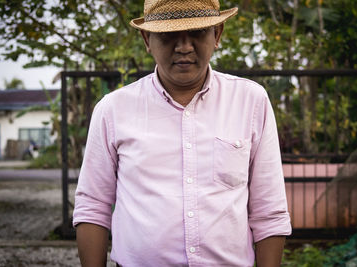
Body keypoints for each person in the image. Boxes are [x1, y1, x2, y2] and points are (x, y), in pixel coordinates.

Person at [73, 0, 292, 266]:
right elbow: (93, 208)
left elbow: (269, 211)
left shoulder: (251, 101)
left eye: (198, 32)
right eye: (168, 35)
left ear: (217, 34)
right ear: (147, 38)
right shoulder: (113, 110)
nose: (184, 47)